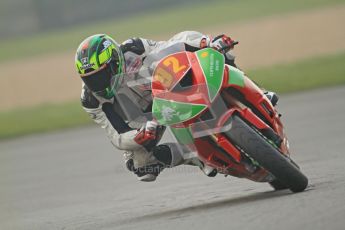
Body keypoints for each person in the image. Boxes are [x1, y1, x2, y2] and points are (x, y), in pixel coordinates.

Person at [74, 31, 277, 182]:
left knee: (214, 53)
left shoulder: (133, 49)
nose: (97, 84)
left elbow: (173, 44)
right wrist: (138, 136)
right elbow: (116, 135)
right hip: (143, 120)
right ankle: (197, 158)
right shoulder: (91, 100)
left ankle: (259, 92)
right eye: (90, 79)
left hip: (165, 85)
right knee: (142, 169)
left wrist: (206, 43)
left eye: (101, 75)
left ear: (115, 62)